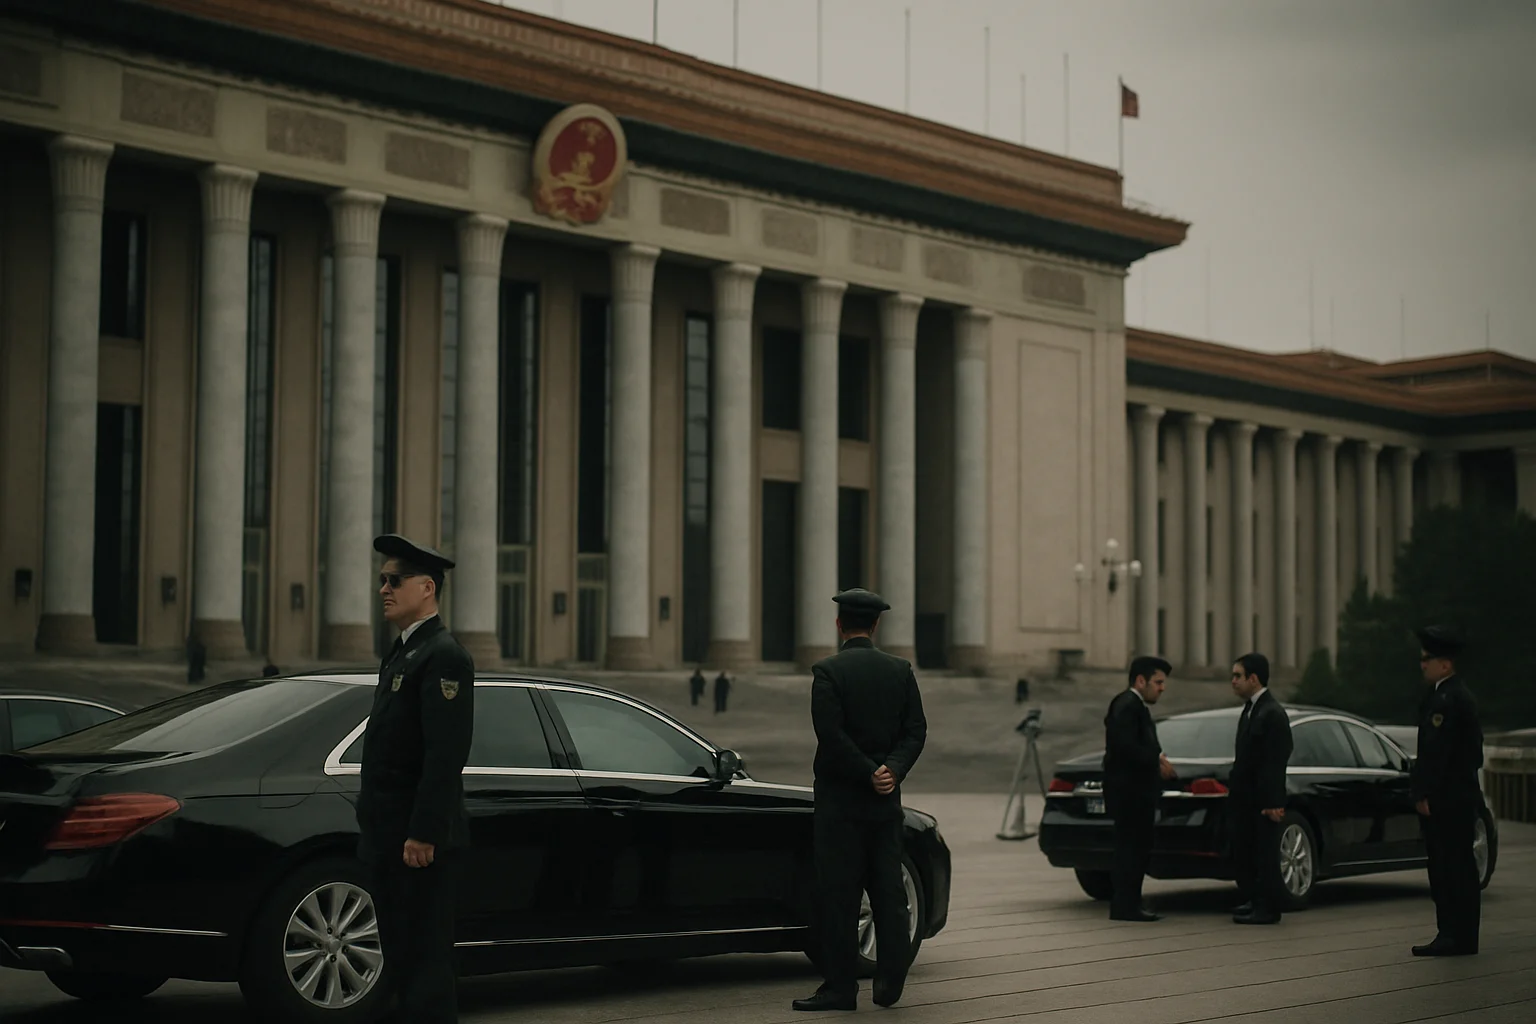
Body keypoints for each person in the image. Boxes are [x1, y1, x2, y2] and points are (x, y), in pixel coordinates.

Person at [356, 533, 476, 1023]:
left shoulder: (443, 654)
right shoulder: (404, 652)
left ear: (426, 588)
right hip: (390, 835)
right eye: (382, 580)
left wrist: (424, 832)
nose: (383, 588)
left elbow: (444, 754)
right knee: (402, 957)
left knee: (425, 963)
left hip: (417, 843)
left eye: (394, 580)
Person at [793, 588, 927, 1013]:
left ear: (839, 625)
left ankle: (840, 988)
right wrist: (891, 769)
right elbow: (916, 731)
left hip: (840, 803)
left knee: (839, 894)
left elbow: (830, 737)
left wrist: (866, 771)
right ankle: (890, 978)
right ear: (876, 625)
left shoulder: (828, 671)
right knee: (888, 890)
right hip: (885, 802)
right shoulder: (900, 670)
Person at [1409, 625, 1483, 957]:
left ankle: (1456, 935)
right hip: (1452, 798)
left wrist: (1426, 793)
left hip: (1450, 801)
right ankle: (1454, 933)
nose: (1422, 664)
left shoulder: (1450, 699)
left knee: (1452, 868)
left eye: (1427, 658)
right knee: (1447, 867)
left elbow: (1443, 756)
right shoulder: (1442, 696)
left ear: (1445, 663)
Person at [1102, 655, 1176, 922]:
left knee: (1135, 848)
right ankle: (1126, 906)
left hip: (1135, 792)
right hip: (1129, 793)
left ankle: (1129, 903)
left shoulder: (1135, 706)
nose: (1162, 687)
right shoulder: (1127, 705)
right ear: (1140, 680)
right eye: (1158, 682)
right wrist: (1155, 761)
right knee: (1130, 850)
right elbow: (1124, 747)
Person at [1227, 652, 1293, 925]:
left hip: (1264, 800)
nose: (1233, 682)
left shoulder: (1272, 713)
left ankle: (1268, 907)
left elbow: (1276, 760)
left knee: (1266, 854)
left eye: (1237, 676)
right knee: (1250, 851)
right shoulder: (1251, 709)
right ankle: (1255, 900)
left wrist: (1273, 801)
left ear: (1253, 679)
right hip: (1248, 798)